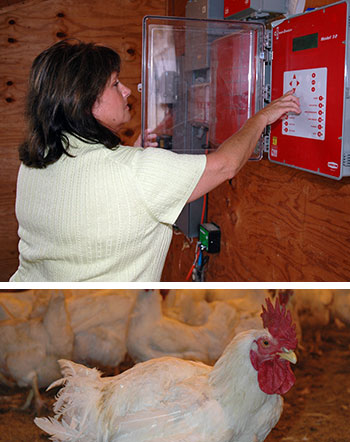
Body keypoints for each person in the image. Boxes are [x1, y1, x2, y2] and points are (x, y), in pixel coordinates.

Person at [10, 40, 300, 282]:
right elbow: (226, 164)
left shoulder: (37, 161)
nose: (126, 91)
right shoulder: (134, 173)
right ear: (86, 103)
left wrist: (133, 154)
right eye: (115, 84)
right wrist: (261, 117)